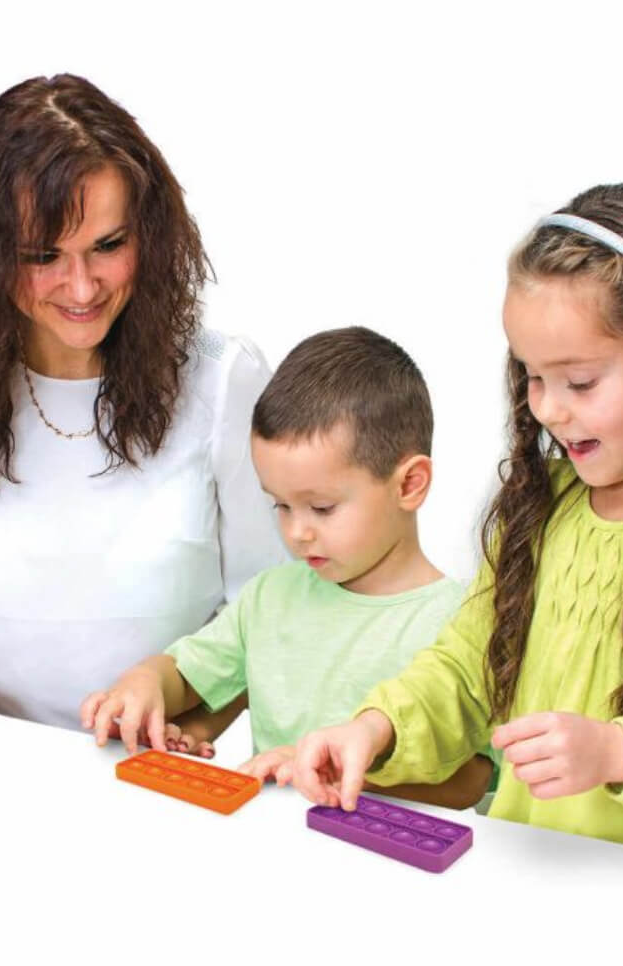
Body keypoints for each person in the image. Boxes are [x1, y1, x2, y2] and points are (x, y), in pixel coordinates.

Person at [288, 183, 623, 869]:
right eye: (531, 377)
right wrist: (374, 729)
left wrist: (620, 753)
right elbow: (469, 671)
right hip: (529, 871)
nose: (548, 409)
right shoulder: (541, 506)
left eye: (580, 382)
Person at [0, 74, 285, 731]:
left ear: (151, 236)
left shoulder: (224, 379)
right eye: (41, 256)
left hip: (155, 775)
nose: (82, 287)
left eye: (109, 245)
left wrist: (189, 734)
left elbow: (268, 608)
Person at [81, 327, 495, 809]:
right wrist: (144, 685)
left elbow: (474, 778)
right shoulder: (269, 598)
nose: (296, 532)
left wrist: (328, 773)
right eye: (280, 505)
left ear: (410, 485)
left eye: (320, 508)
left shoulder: (463, 621)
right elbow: (185, 675)